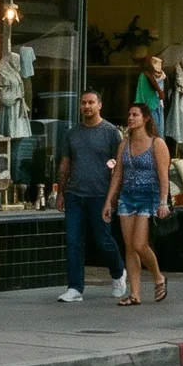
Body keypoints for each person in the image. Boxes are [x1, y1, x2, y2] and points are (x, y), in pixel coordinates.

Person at [55, 89, 127, 303]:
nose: (87, 106)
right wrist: (61, 193)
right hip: (74, 194)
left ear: (99, 105)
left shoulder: (111, 132)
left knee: (103, 239)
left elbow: (118, 166)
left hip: (100, 194)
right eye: (84, 103)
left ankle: (118, 273)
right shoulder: (72, 133)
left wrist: (112, 197)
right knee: (73, 241)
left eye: (91, 103)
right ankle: (75, 287)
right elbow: (65, 164)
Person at [104, 101, 170, 305]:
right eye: (129, 115)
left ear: (146, 118)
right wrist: (109, 201)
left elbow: (163, 175)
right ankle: (135, 294)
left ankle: (158, 277)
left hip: (148, 197)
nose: (131, 118)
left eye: (135, 115)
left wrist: (163, 202)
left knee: (140, 244)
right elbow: (118, 175)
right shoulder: (124, 144)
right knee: (129, 247)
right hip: (127, 197)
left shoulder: (156, 143)